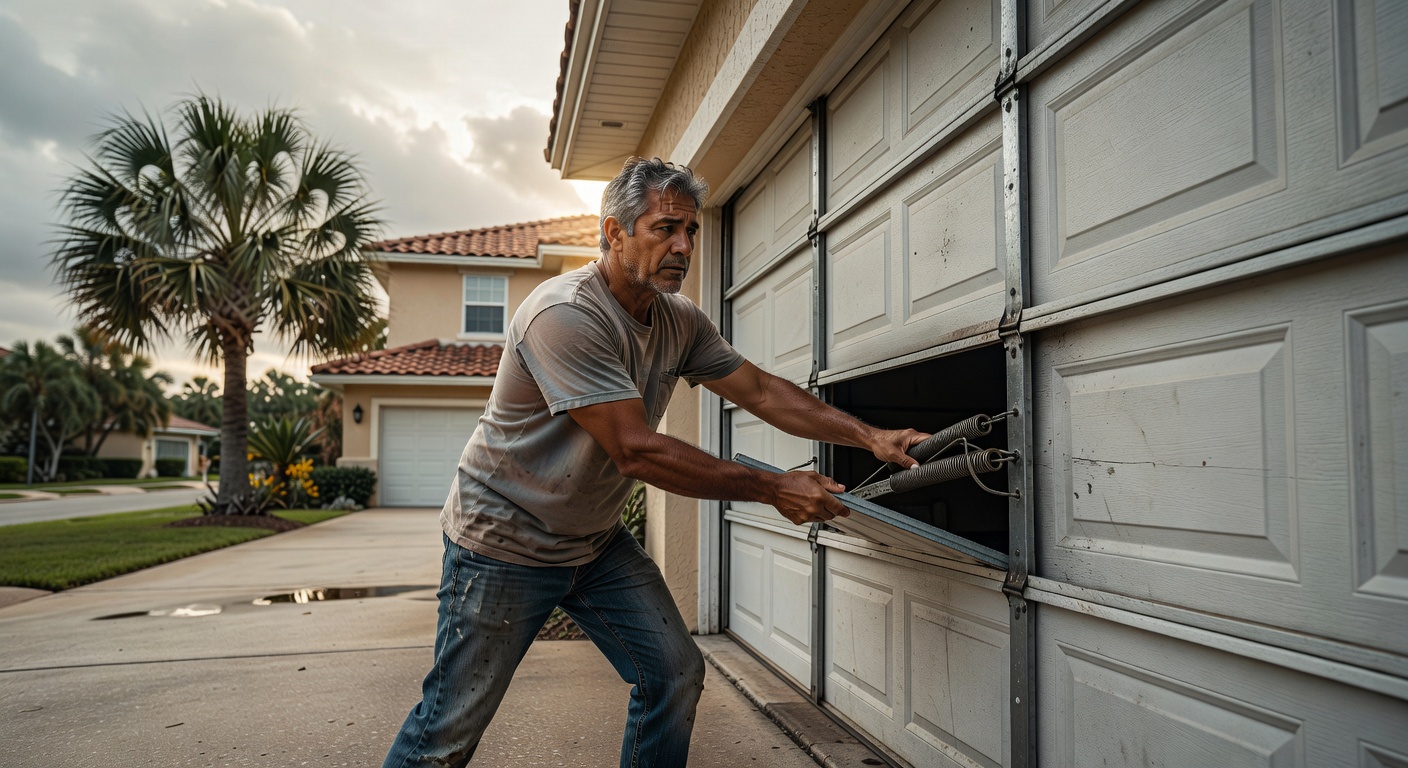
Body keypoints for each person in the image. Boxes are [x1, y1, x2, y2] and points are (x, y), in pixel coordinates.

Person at [382, 157, 929, 768]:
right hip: (504, 541)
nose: (683, 245)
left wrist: (871, 437)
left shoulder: (680, 320)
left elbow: (764, 392)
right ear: (614, 232)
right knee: (447, 733)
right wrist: (774, 487)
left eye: (690, 231)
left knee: (672, 674)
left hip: (591, 543)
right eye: (665, 228)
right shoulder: (563, 314)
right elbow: (634, 448)